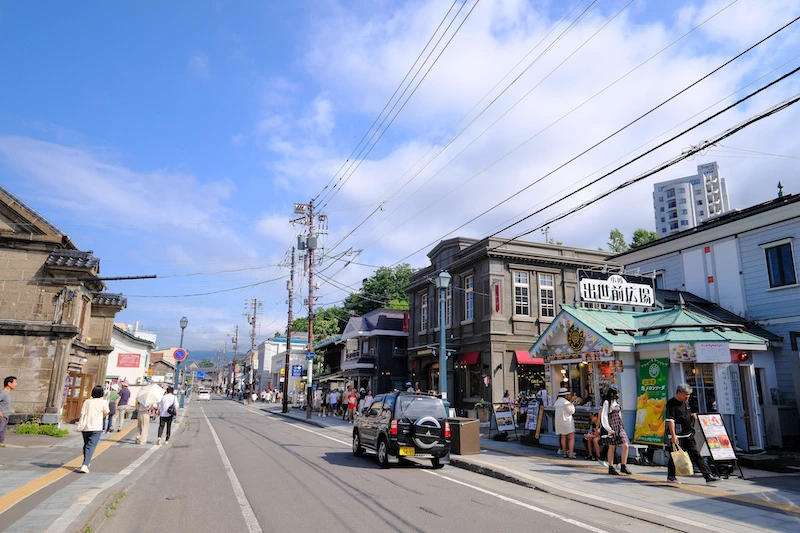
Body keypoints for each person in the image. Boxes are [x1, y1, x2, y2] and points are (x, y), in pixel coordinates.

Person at [666, 383, 720, 484]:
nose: (688, 397)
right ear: (679, 393)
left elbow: (686, 414)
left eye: (689, 395)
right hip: (677, 435)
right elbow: (670, 420)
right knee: (675, 455)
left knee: (696, 454)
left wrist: (692, 416)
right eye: (686, 394)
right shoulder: (671, 403)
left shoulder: (686, 402)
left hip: (688, 434)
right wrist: (673, 435)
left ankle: (708, 476)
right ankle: (671, 476)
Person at [76, 386, 109, 473]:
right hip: (96, 427)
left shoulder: (87, 401)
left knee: (86, 444)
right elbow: (106, 413)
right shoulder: (103, 402)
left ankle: (86, 461)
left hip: (85, 426)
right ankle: (85, 465)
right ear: (102, 393)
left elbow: (82, 413)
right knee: (91, 445)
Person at [601, 386, 631, 475]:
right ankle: (611, 467)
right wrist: (608, 428)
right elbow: (604, 416)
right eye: (616, 393)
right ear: (611, 394)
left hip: (619, 425)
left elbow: (619, 414)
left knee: (625, 445)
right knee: (612, 447)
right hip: (612, 425)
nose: (617, 395)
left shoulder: (616, 402)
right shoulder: (607, 402)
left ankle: (623, 465)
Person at [554, 387, 576, 458]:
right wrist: (571, 403)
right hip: (567, 421)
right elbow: (571, 411)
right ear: (565, 395)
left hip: (559, 421)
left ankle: (564, 453)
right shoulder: (566, 403)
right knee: (571, 437)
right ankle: (571, 453)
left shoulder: (557, 402)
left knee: (563, 437)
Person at [0, 376, 17, 446]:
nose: (16, 384)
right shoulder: (3, 393)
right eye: (15, 382)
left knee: (1, 435)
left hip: (5, 417)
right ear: (9, 383)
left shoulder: (7, 394)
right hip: (1, 417)